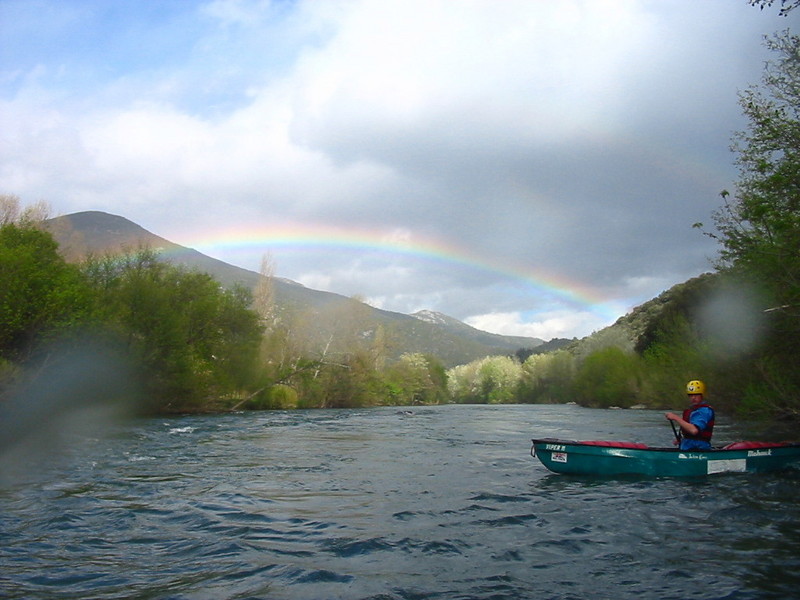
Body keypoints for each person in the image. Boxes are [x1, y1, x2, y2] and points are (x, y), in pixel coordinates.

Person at [665, 380, 715, 450]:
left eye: (696, 395)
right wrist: (681, 438)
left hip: (699, 447)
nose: (693, 398)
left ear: (702, 395)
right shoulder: (692, 410)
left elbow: (694, 430)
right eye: (690, 395)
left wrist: (675, 418)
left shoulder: (704, 411)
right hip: (687, 445)